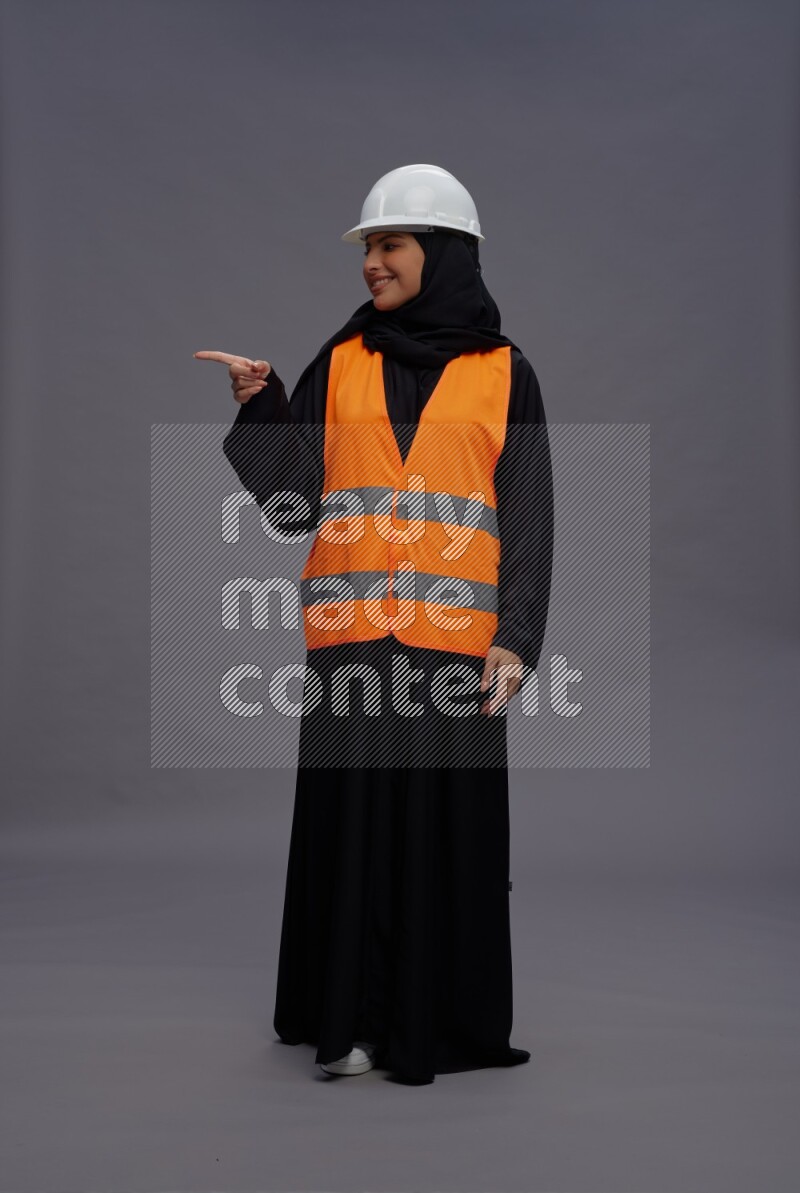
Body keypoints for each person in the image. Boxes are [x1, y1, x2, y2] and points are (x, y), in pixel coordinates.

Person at [195, 163, 554, 1085]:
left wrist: (516, 636)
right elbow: (291, 506)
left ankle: (431, 1025)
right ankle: (348, 1022)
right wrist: (261, 408)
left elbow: (528, 511)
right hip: (352, 644)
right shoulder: (341, 361)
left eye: (390, 245)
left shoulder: (506, 374)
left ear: (441, 254)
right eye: (369, 248)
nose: (372, 264)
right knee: (352, 831)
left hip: (456, 652)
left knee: (444, 836)